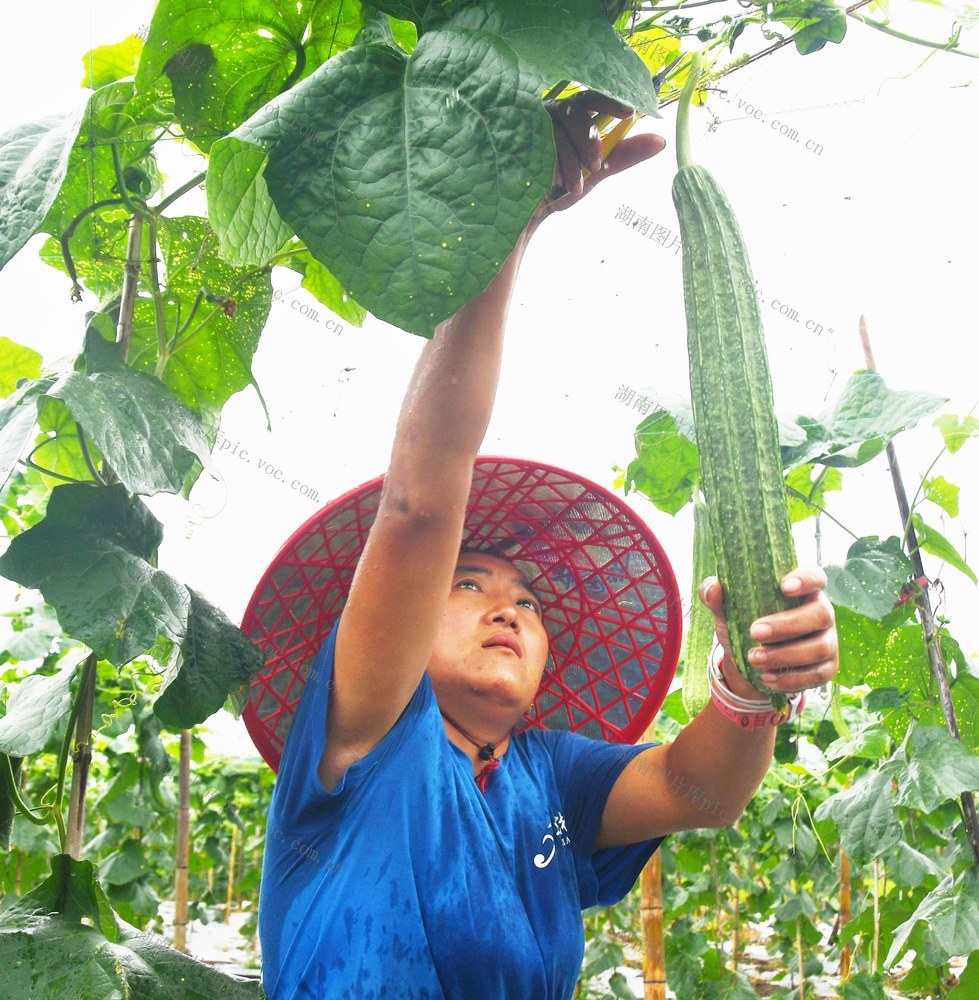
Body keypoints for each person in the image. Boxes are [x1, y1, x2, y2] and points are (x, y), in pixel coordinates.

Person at [254, 93, 839, 999]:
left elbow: (701, 793)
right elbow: (417, 505)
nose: (511, 609)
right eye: (470, 584)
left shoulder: (549, 772)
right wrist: (505, 229)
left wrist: (756, 676)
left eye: (528, 603)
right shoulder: (364, 730)